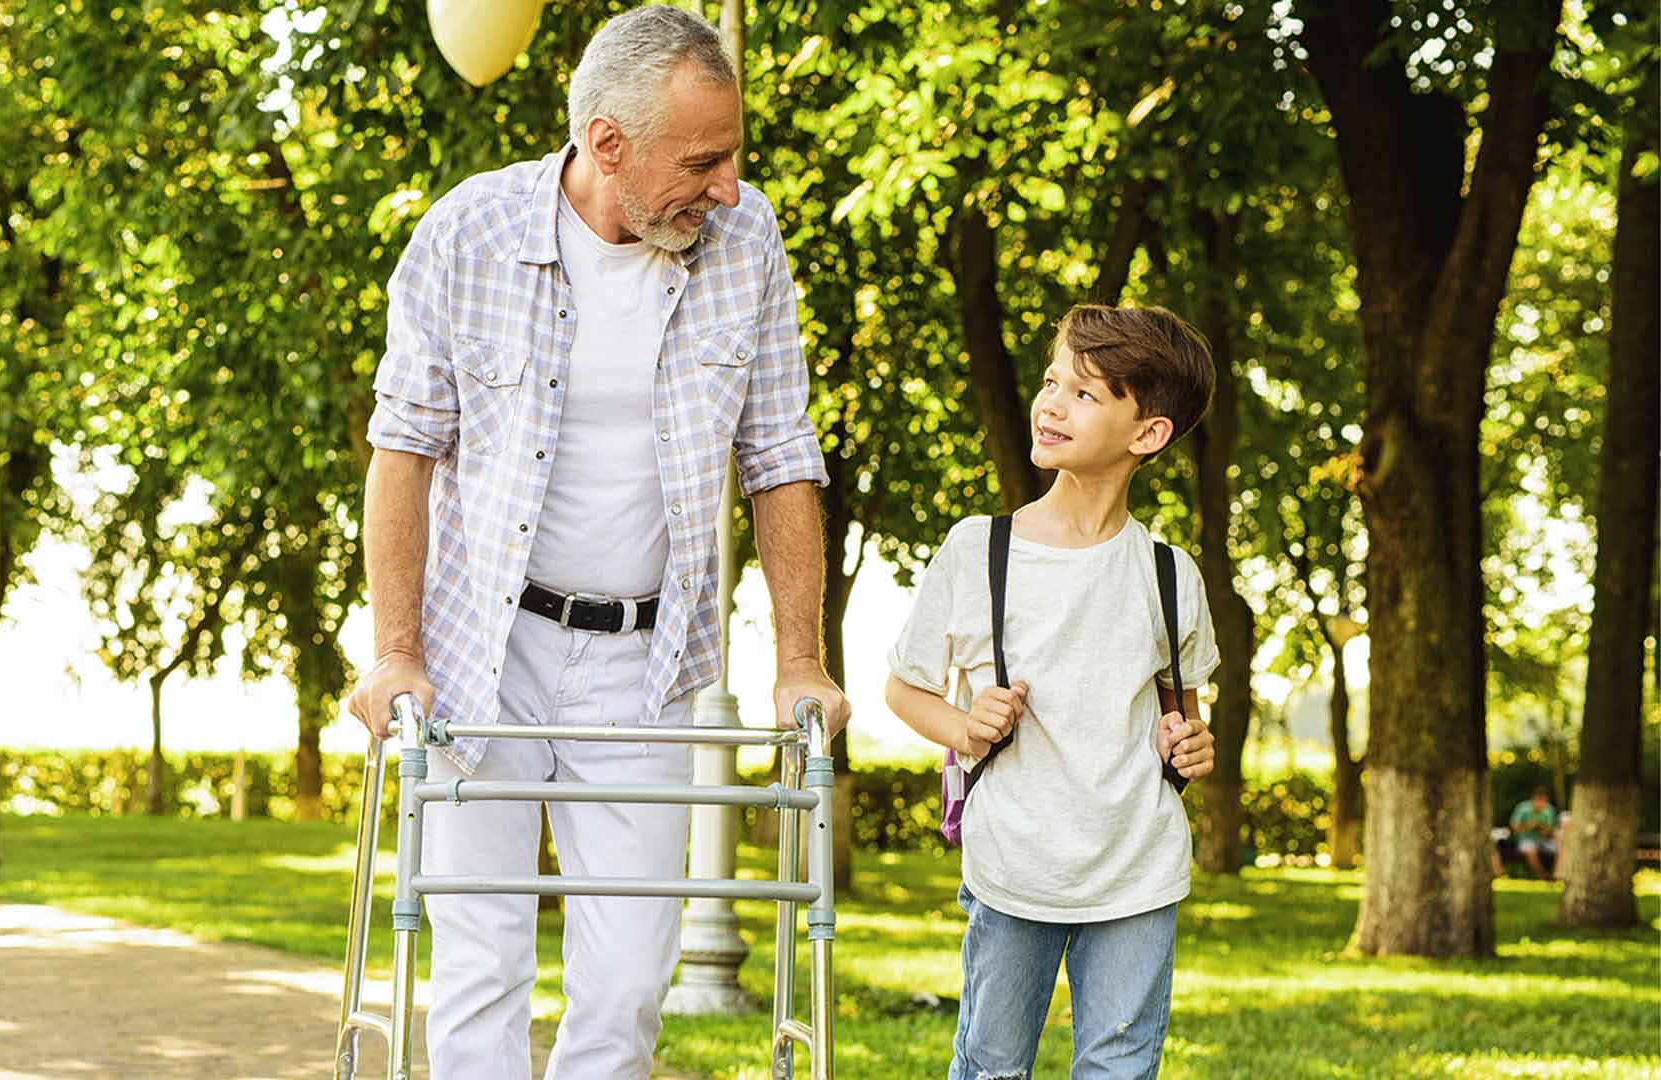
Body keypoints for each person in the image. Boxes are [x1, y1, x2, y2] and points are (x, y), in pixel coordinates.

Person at [343, 7, 851, 1078]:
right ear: (607, 145)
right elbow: (404, 450)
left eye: (731, 158)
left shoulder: (747, 238)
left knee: (624, 984)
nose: (724, 186)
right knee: (480, 965)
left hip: (648, 661)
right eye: (702, 160)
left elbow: (781, 454)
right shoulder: (466, 233)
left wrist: (799, 659)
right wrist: (396, 650)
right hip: (484, 650)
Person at [885, 303, 1221, 1079]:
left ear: (1148, 434)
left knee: (1119, 1067)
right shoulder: (980, 551)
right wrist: (969, 727)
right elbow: (905, 691)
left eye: (1084, 393)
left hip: (1137, 865)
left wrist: (1190, 743)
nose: (1050, 402)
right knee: (993, 1066)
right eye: (1050, 381)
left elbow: (1183, 715)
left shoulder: (1170, 574)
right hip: (1015, 865)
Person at [1509, 787, 1561, 880]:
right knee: (1530, 850)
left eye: (1544, 801)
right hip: (1525, 839)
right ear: (1534, 799)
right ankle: (1543, 876)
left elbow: (1550, 831)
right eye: (1539, 800)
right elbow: (1514, 827)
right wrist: (1529, 825)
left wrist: (1540, 827)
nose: (1541, 804)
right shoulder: (1523, 808)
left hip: (1543, 841)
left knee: (1561, 849)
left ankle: (1558, 874)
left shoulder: (1549, 809)